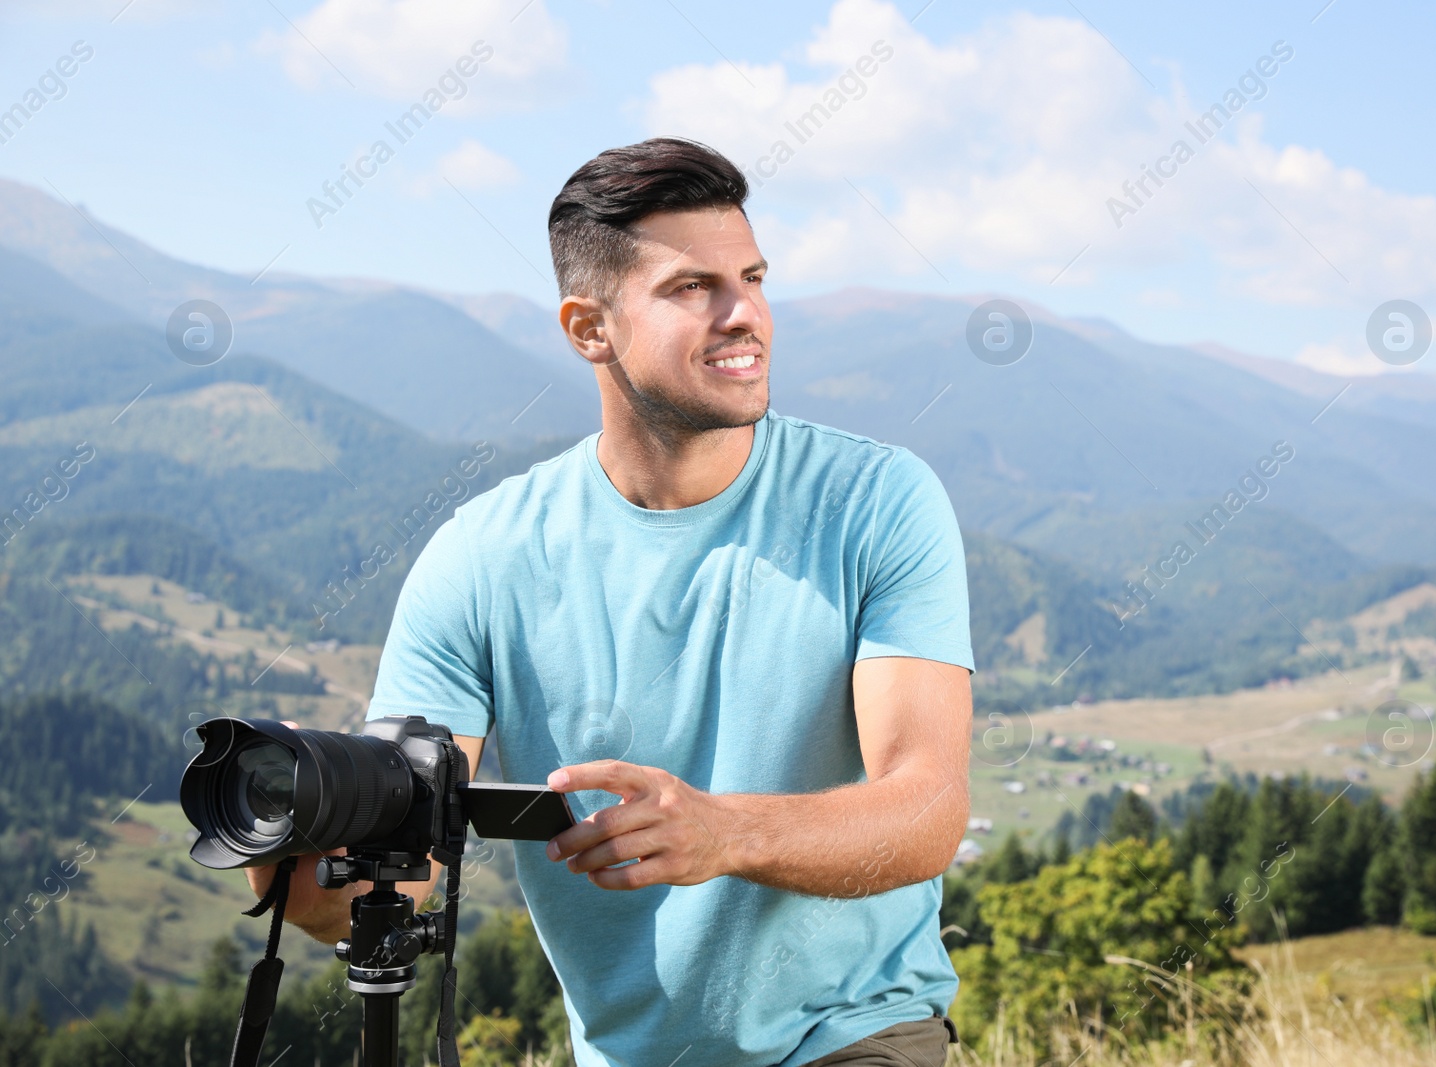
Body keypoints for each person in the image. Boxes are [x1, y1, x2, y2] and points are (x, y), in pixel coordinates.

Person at [250, 137, 974, 1067]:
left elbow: (926, 811)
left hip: (856, 1032)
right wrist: (297, 868)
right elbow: (402, 870)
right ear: (589, 328)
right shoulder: (480, 557)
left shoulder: (877, 500)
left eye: (752, 277)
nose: (743, 313)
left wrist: (725, 832)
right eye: (691, 288)